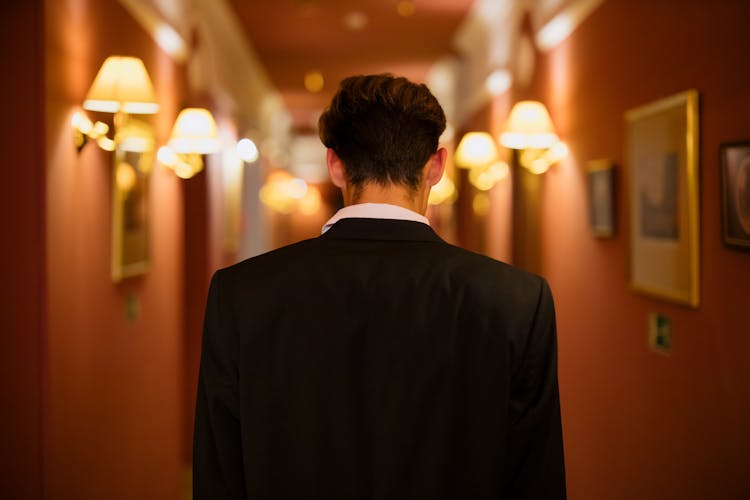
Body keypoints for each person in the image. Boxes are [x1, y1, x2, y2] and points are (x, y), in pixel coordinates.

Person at [193, 74, 566, 499]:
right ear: (437, 166)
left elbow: (218, 475)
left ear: (335, 164)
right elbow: (536, 480)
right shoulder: (517, 300)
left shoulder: (241, 294)